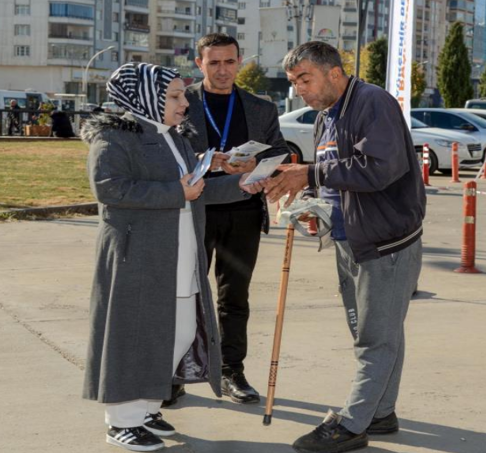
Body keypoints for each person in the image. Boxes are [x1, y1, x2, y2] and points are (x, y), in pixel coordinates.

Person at [81, 63, 266, 451]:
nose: (185, 104)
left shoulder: (174, 136)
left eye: (182, 95)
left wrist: (244, 185)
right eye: (175, 96)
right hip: (138, 255)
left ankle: (146, 408)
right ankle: (122, 420)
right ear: (145, 97)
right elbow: (110, 189)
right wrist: (175, 192)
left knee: (176, 332)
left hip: (180, 253)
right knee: (134, 337)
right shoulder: (115, 134)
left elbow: (196, 190)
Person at [263, 41, 426, 453]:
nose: (299, 88)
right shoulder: (324, 118)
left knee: (376, 338)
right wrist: (314, 208)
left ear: (334, 73)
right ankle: (381, 411)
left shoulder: (373, 102)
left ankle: (352, 424)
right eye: (294, 81)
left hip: (386, 242)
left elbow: (381, 169)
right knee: (377, 332)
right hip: (348, 239)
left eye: (305, 78)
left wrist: (310, 174)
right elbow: (337, 184)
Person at [183, 33, 290, 405]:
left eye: (229, 62)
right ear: (200, 64)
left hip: (243, 212)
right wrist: (207, 159)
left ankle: (232, 371)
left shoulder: (260, 107)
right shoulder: (182, 102)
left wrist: (256, 165)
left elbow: (280, 151)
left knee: (235, 298)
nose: (223, 70)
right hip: (194, 211)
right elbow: (170, 152)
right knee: (187, 295)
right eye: (214, 63)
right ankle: (178, 372)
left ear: (239, 62)